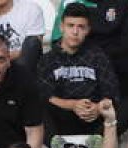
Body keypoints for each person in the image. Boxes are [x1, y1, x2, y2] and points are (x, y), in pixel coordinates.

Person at [49, 0, 128, 130]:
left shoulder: (124, 3)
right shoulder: (70, 2)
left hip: (114, 66)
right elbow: (59, 44)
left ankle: (101, 137)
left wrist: (98, 56)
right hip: (77, 65)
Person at [38, 3, 120, 137]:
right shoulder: (48, 59)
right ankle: (56, 145)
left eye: (81, 27)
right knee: (39, 107)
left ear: (88, 30)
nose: (75, 32)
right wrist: (72, 105)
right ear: (62, 27)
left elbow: (111, 92)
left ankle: (96, 141)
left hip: (93, 117)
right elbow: (45, 95)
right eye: (70, 26)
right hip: (61, 118)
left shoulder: (97, 56)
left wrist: (98, 108)